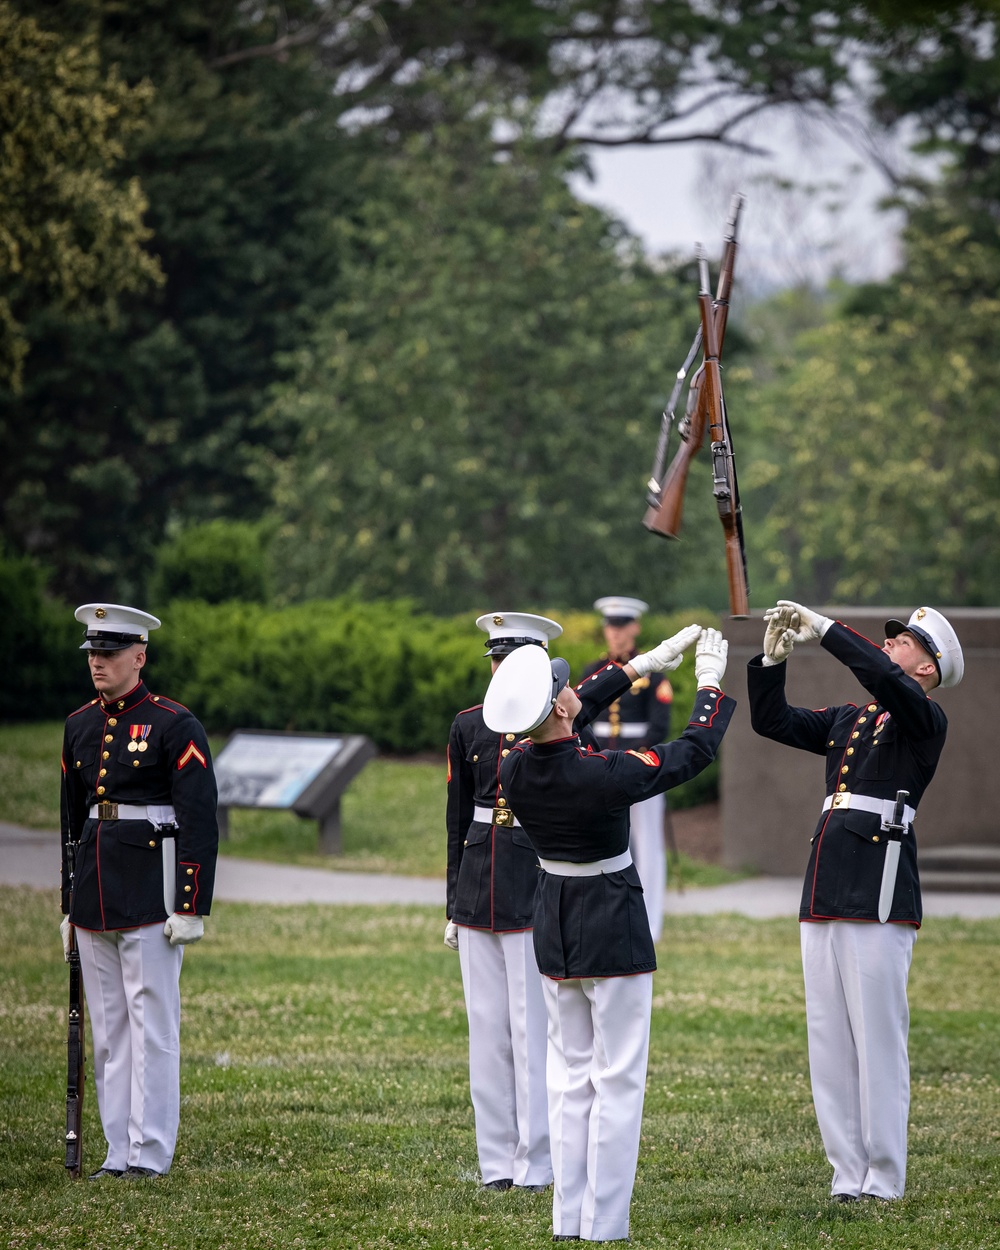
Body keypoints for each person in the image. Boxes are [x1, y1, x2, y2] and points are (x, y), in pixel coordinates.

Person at [483, 625, 734, 1242]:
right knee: (617, 1078)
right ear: (558, 708)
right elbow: (693, 751)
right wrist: (709, 685)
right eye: (564, 688)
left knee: (570, 1078)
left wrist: (641, 664)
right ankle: (605, 1222)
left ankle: (568, 1218)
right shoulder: (602, 774)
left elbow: (569, 716)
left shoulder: (514, 767)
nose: (575, 690)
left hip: (555, 922)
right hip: (610, 919)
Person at [746, 600, 964, 1202]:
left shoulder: (924, 717)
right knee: (829, 1039)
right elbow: (774, 722)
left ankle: (884, 1177)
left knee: (877, 1040)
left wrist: (825, 630)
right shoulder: (851, 718)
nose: (890, 644)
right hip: (825, 884)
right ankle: (847, 1173)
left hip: (878, 886)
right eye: (890, 638)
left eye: (904, 641)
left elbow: (882, 676)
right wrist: (770, 663)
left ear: (927, 668)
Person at [445, 612, 634, 1193]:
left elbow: (593, 695)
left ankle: (536, 1162)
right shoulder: (469, 724)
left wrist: (642, 664)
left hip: (532, 885)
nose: (500, 670)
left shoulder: (551, 720)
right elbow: (457, 819)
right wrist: (453, 902)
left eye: (512, 660)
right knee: (486, 1033)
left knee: (533, 1033)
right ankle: (496, 1162)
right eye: (495, 660)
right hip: (478, 888)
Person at [59, 603, 219, 1179]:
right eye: (93, 652)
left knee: (151, 1027)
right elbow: (71, 824)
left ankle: (149, 1152)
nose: (97, 662)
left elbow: (198, 820)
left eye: (109, 652)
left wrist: (190, 904)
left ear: (139, 656)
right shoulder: (79, 725)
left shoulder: (175, 724)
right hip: (95, 893)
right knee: (109, 1032)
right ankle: (116, 1152)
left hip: (151, 891)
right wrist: (68, 903)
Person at [582, 597, 674, 941]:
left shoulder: (653, 675)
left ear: (634, 627)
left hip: (639, 766)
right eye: (610, 626)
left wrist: (634, 760)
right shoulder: (592, 670)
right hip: (598, 766)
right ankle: (602, 915)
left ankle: (649, 924)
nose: (615, 633)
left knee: (647, 843)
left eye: (621, 626)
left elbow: (659, 727)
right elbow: (581, 721)